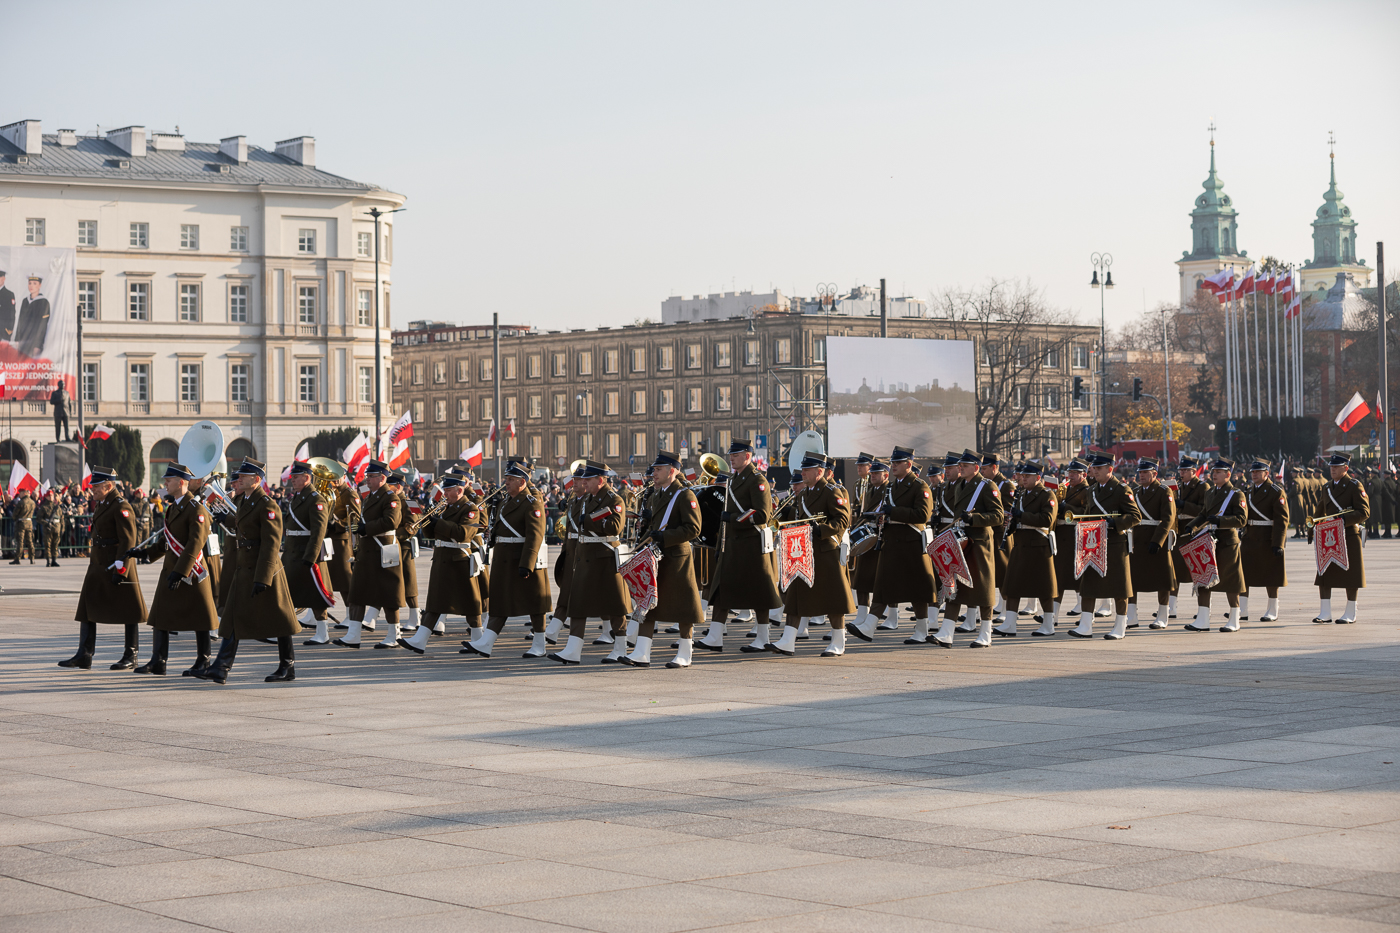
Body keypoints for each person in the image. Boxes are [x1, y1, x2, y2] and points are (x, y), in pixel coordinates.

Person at [198, 459, 301, 683]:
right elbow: (242, 521)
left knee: (280, 618)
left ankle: (287, 665)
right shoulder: (245, 500)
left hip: (264, 569)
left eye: (244, 476)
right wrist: (224, 519)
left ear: (256, 480)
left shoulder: (267, 504)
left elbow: (271, 544)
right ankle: (221, 667)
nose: (238, 479)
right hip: (244, 568)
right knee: (233, 617)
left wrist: (263, 578)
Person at [128, 463, 218, 676]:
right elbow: (167, 541)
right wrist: (145, 554)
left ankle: (203, 660)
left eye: (169, 480)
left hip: (191, 572)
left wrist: (181, 571)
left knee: (200, 617)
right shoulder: (173, 507)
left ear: (181, 482)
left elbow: (196, 542)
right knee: (161, 614)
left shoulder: (196, 509)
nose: (165, 483)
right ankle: (158, 660)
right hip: (172, 569)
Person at [697, 439, 782, 653]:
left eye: (735, 455)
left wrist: (733, 518)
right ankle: (715, 636)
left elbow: (763, 515)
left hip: (750, 546)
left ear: (747, 456)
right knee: (720, 589)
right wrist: (718, 547)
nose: (731, 458)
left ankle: (763, 638)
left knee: (759, 592)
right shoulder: (734, 479)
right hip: (731, 546)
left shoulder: (756, 480)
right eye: (730, 455)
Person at [462, 458, 552, 658]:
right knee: (500, 601)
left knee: (535, 603)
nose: (506, 482)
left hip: (522, 558)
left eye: (511, 479)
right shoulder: (505, 500)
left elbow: (535, 535)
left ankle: (539, 644)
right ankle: (486, 643)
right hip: (504, 558)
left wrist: (527, 564)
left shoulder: (531, 502)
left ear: (522, 482)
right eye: (506, 478)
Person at [621, 451, 703, 667]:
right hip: (657, 557)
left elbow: (693, 528)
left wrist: (665, 536)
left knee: (684, 607)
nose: (653, 473)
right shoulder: (656, 494)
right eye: (654, 469)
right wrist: (648, 525)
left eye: (658, 469)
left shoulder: (685, 495)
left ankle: (685, 653)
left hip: (677, 557)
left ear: (672, 471)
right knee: (648, 604)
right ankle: (641, 652)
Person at [768, 452, 854, 657]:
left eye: (807, 470)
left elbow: (842, 521)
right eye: (803, 469)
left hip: (825, 551)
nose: (802, 473)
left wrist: (820, 529)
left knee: (832, 598)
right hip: (804, 551)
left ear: (820, 472)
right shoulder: (804, 493)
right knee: (796, 596)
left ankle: (838, 641)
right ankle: (788, 640)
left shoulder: (832, 492)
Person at [62, 467, 147, 670]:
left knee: (129, 608)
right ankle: (84, 653)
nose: (92, 490)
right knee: (86, 607)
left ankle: (131, 654)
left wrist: (121, 569)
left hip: (115, 563)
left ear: (108, 486)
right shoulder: (103, 504)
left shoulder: (121, 506)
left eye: (96, 487)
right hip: (99, 563)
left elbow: (128, 541)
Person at [850, 446, 936, 644]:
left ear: (908, 464)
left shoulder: (919, 486)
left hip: (911, 544)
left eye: (898, 463)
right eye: (893, 462)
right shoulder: (891, 486)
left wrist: (894, 511)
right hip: (892, 543)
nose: (894, 466)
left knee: (918, 589)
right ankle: (869, 626)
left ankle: (922, 630)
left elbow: (923, 515)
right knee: (882, 586)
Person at [551, 460, 633, 664]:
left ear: (600, 480)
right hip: (585, 557)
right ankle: (573, 649)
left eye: (588, 479)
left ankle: (620, 647)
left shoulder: (614, 499)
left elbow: (615, 527)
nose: (584, 482)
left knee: (614, 606)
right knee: (578, 604)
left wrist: (588, 520)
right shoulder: (586, 498)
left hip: (604, 558)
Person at [399, 473, 484, 653]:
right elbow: (431, 534)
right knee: (435, 603)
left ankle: (478, 639)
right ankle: (420, 640)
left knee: (470, 602)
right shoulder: (445, 507)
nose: (444, 493)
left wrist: (439, 521)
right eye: (444, 489)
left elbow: (463, 534)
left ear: (459, 490)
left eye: (448, 490)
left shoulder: (470, 508)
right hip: (442, 559)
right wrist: (427, 520)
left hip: (459, 560)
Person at [932, 451, 1004, 647]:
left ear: (976, 467)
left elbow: (998, 516)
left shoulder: (987, 486)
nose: (960, 467)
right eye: (960, 465)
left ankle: (986, 633)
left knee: (983, 588)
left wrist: (975, 518)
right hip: (961, 542)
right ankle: (946, 632)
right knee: (954, 584)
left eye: (964, 465)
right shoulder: (960, 486)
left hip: (979, 543)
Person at [1069, 453, 1142, 639]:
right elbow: (1088, 514)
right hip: (1094, 543)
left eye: (1098, 468)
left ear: (1110, 469)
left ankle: (1120, 626)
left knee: (1119, 586)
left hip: (1115, 543)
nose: (1094, 471)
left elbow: (1135, 516)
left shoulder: (1122, 490)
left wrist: (1114, 523)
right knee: (1089, 584)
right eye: (1093, 468)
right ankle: (1085, 625)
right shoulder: (1092, 490)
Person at [336, 461, 406, 646]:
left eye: (371, 476)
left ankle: (394, 634)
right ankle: (353, 634)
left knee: (388, 593)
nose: (367, 479)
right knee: (357, 592)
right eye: (367, 476)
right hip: (367, 551)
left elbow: (392, 521)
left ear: (382, 478)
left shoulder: (391, 497)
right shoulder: (370, 496)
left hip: (382, 549)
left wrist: (366, 528)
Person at [1180, 457, 1248, 632]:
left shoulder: (1236, 494)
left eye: (1218, 472)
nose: (1214, 474)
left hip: (1227, 542)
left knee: (1231, 582)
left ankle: (1234, 618)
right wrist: (1191, 525)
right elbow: (1203, 514)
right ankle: (1202, 619)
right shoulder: (1210, 493)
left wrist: (1220, 520)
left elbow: (1241, 519)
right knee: (1203, 579)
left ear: (1228, 474)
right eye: (1213, 471)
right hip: (1207, 542)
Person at [995, 462, 1058, 640]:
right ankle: (1010, 623)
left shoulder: (1047, 494)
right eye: (1022, 476)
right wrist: (1012, 524)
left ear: (1038, 478)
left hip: (1038, 545)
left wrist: (1020, 515)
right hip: (1021, 544)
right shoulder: (1021, 493)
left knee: (1044, 587)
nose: (1022, 479)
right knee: (1013, 586)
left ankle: (1048, 624)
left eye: (1027, 476)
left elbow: (1047, 519)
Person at [1311, 451, 1369, 624]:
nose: (1333, 469)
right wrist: (1312, 527)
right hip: (1329, 535)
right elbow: (1321, 510)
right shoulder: (1327, 487)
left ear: (1346, 468)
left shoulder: (1354, 485)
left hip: (1349, 535)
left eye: (1336, 467)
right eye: (1331, 467)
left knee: (1351, 575)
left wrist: (1343, 520)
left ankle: (1350, 612)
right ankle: (1325, 612)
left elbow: (1364, 512)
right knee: (1324, 573)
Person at [281, 462, 335, 642]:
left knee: (315, 594)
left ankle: (322, 632)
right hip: (293, 552)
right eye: (292, 477)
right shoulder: (298, 497)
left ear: (307, 477)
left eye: (296, 477)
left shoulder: (316, 499)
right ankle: (284, 629)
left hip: (306, 554)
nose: (293, 480)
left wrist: (311, 557)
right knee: (289, 592)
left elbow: (319, 531)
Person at [1126, 458, 1177, 632]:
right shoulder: (1135, 491)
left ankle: (1163, 616)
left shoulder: (1164, 491)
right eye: (1140, 472)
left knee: (1162, 579)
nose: (1141, 475)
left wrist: (1157, 540)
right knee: (1133, 579)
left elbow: (1168, 518)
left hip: (1156, 540)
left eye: (1145, 472)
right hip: (1138, 540)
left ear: (1155, 474)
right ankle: (1131, 616)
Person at [1241, 459, 1289, 623]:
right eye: (1252, 472)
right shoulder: (1248, 491)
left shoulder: (1276, 491)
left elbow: (1282, 520)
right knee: (1244, 575)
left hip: (1268, 538)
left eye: (1257, 472)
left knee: (1271, 576)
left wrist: (1279, 543)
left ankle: (1272, 609)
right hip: (1250, 538)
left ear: (1267, 473)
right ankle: (1242, 609)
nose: (1254, 475)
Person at [545, 463, 588, 645]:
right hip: (571, 551)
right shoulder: (574, 499)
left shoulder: (590, 501)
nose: (574, 483)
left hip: (585, 553)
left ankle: (620, 637)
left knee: (604, 602)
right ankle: (551, 632)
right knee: (566, 593)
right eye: (574, 479)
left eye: (578, 480)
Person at [846, 457, 888, 635]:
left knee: (878, 579)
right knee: (861, 578)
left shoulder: (888, 490)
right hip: (865, 534)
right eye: (873, 473)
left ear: (885, 475)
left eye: (877, 474)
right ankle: (862, 614)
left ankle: (883, 615)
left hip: (879, 537)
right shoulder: (869, 489)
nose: (873, 476)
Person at [378, 472, 419, 648]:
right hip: (391, 546)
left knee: (408, 584)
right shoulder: (388, 499)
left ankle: (415, 617)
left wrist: (395, 536)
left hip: (402, 546)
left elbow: (412, 527)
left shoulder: (408, 502)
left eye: (391, 484)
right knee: (391, 584)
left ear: (399, 486)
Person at [1170, 457, 1208, 619]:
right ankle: (1171, 607)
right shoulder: (1177, 486)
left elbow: (1205, 510)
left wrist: (1183, 505)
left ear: (1194, 471)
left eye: (1185, 470)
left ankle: (1203, 609)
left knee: (1199, 573)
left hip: (1195, 532)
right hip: (1179, 532)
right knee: (1174, 571)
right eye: (1181, 470)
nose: (1182, 473)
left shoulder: (1202, 486)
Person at [322, 468, 361, 627]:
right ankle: (316, 614)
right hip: (330, 539)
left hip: (342, 541)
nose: (335, 480)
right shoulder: (330, 492)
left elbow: (355, 518)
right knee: (324, 577)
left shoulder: (350, 494)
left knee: (345, 580)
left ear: (344, 477)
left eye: (338, 477)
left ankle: (351, 615)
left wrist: (336, 525)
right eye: (333, 477)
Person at [15, 273, 50, 358]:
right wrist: (17, 339)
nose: (31, 286)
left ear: (40, 285)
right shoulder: (25, 301)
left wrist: (37, 345)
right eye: (30, 283)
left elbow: (43, 326)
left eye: (35, 283)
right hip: (23, 341)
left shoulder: (44, 302)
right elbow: (20, 321)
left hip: (34, 343)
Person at [38, 489, 65, 567]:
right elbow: (39, 518)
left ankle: (54, 560)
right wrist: (46, 523)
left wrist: (62, 529)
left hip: (57, 527)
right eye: (49, 496)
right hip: (47, 529)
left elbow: (61, 518)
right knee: (48, 545)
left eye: (52, 495)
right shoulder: (43, 507)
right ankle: (48, 561)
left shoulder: (57, 507)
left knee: (55, 545)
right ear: (46, 497)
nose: (50, 497)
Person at [9, 486, 35, 564]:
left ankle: (17, 558)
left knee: (20, 542)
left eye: (20, 493)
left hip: (21, 523)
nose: (19, 495)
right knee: (30, 541)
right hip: (29, 523)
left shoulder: (21, 502)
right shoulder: (32, 502)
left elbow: (15, 514)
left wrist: (14, 518)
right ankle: (32, 558)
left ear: (24, 493)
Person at [0, 270, 14, 341]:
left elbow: (11, 312)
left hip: (3, 330)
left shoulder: (9, 294)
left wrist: (9, 328)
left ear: (4, 279)